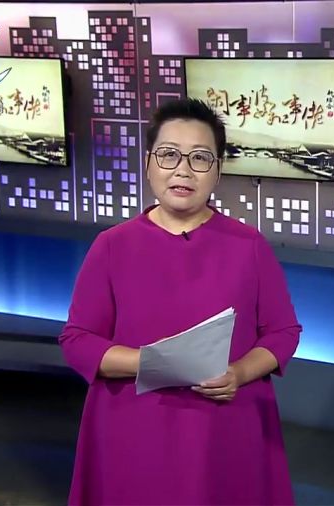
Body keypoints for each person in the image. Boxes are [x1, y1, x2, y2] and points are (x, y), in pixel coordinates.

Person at [59, 98, 301, 505]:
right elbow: (78, 340)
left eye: (200, 158)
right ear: (149, 163)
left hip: (225, 427)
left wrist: (239, 373)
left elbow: (283, 332)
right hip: (133, 429)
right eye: (169, 155)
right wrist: (153, 363)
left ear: (218, 170)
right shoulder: (112, 245)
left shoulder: (249, 245)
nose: (183, 170)